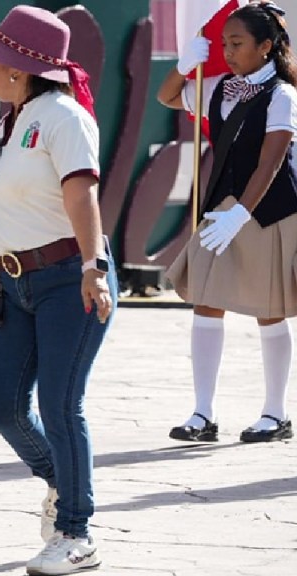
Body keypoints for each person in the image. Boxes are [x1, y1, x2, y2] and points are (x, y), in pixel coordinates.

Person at [0, 6, 114, 574]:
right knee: (0, 404)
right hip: (12, 281)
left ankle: (77, 532)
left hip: (68, 278)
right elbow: (0, 206)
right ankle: (62, 481)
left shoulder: (63, 116)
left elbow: (82, 198)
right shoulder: (10, 117)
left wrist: (93, 268)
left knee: (59, 403)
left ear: (19, 68)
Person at [158, 1, 296, 444]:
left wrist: (242, 213)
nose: (228, 51)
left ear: (267, 46)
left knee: (269, 309)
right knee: (206, 302)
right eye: (223, 43)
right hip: (221, 207)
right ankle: (202, 414)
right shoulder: (218, 86)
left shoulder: (283, 95)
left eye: (237, 43)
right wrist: (183, 66)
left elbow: (272, 161)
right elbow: (166, 96)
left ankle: (275, 414)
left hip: (268, 211)